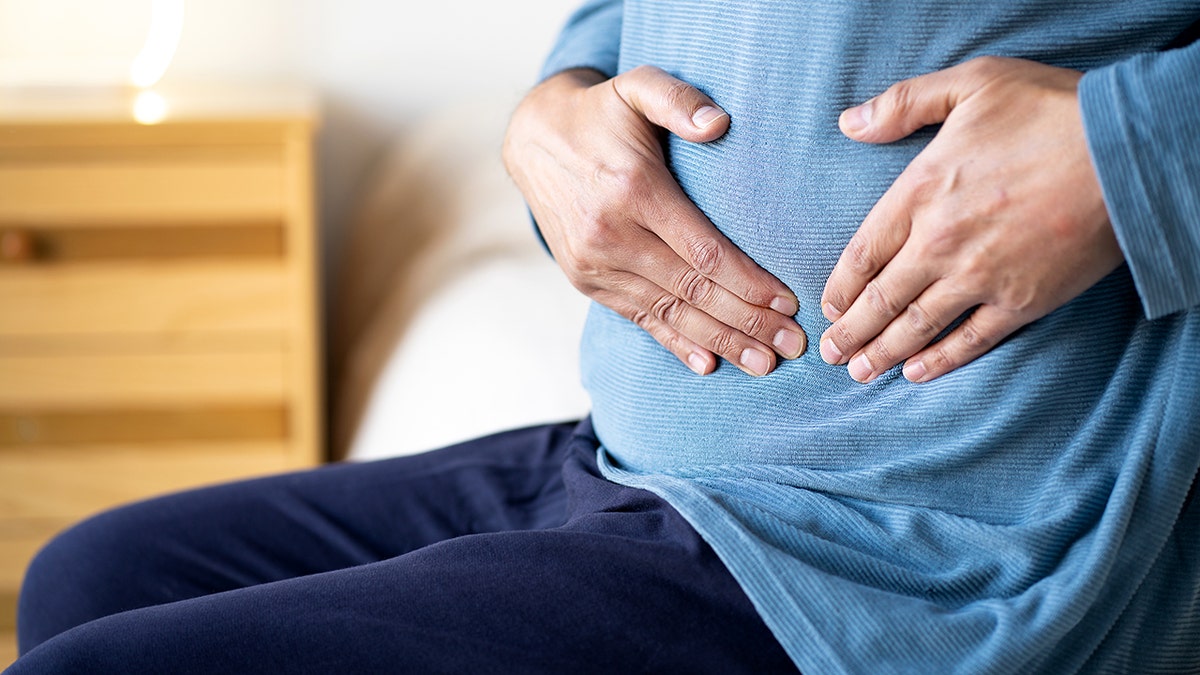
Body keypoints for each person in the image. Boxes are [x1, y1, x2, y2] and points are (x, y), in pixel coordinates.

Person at [8, 1, 1199, 673]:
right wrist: (553, 108)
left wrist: (1127, 148)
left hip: (914, 539)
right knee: (97, 574)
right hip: (627, 458)